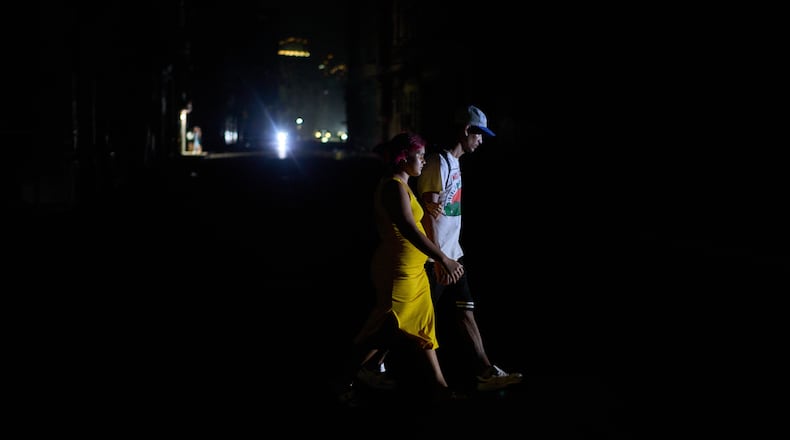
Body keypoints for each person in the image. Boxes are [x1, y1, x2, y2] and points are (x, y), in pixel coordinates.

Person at [340, 132, 465, 405]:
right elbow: (408, 229)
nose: (423, 160)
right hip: (398, 272)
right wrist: (443, 258)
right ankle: (344, 379)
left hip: (414, 273)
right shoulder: (393, 186)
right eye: (419, 155)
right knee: (385, 329)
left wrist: (427, 208)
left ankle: (440, 387)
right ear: (403, 157)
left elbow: (413, 218)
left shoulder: (404, 185)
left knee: (423, 329)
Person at [416, 105, 523, 391]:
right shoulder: (439, 163)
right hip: (436, 259)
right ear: (466, 130)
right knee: (408, 319)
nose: (481, 141)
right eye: (479, 134)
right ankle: (368, 366)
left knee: (466, 311)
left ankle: (486, 370)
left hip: (454, 254)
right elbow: (429, 216)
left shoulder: (453, 162)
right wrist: (439, 258)